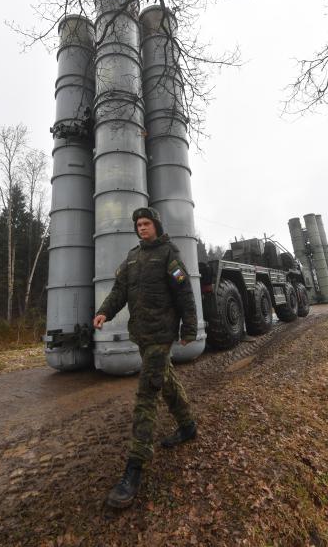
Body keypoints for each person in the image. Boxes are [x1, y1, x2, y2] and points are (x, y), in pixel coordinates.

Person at [93, 207, 198, 509]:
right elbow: (119, 291)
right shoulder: (132, 257)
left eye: (146, 223)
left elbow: (184, 293)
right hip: (141, 334)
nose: (141, 228)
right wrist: (104, 311)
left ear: (156, 225)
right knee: (165, 381)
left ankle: (135, 468)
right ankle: (188, 426)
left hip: (161, 335)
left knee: (146, 394)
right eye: (138, 224)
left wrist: (189, 328)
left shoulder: (169, 254)